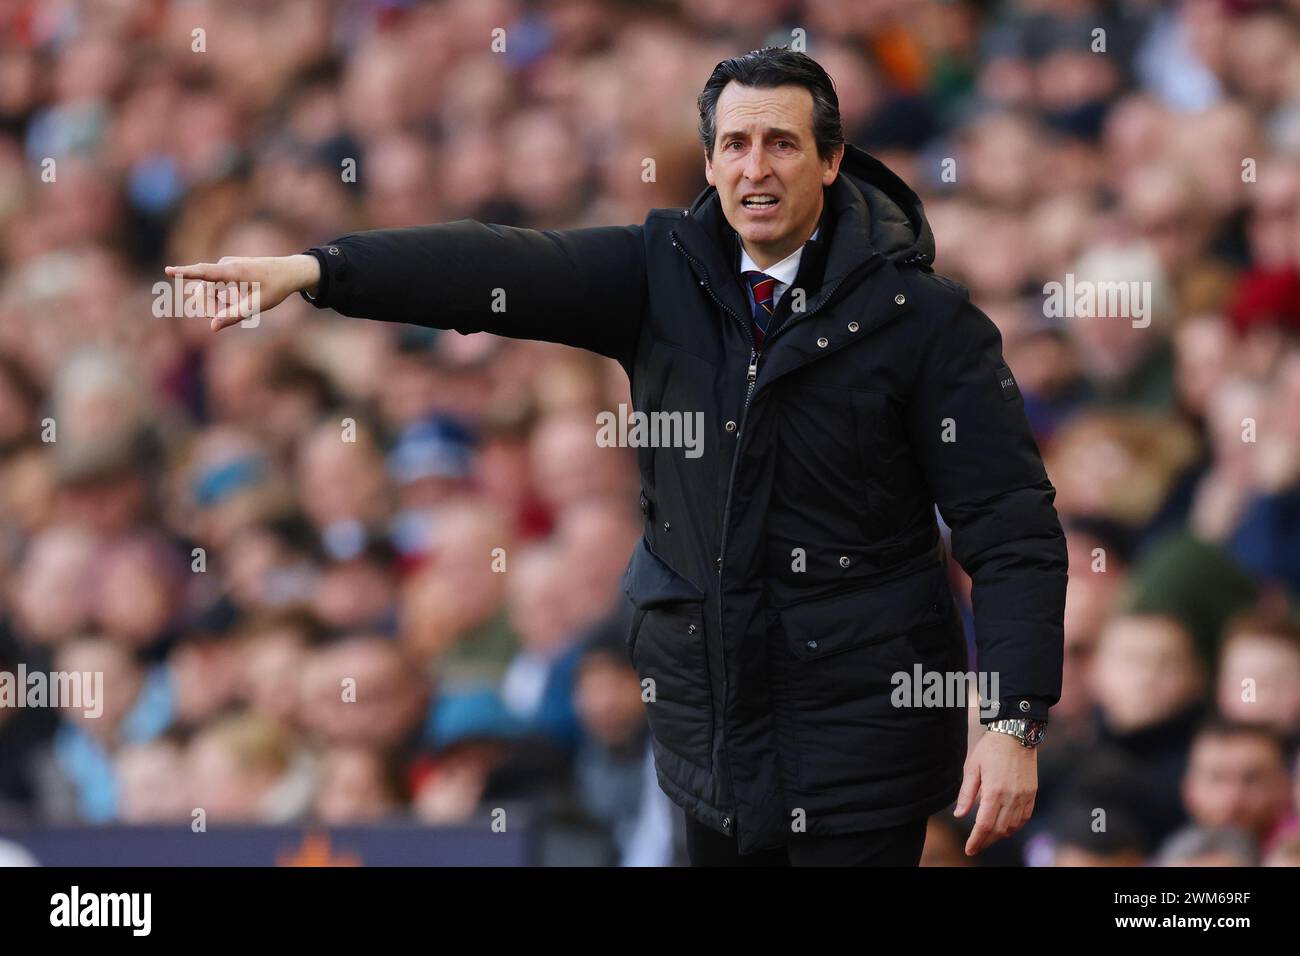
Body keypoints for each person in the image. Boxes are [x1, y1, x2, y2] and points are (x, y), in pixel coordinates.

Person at [166, 48, 1067, 866]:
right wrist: (322, 270)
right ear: (709, 163)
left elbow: (1011, 529)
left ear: (830, 161)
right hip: (708, 737)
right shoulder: (660, 273)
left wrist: (1014, 718)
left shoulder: (928, 322)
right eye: (736, 144)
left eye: (783, 145)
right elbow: (500, 271)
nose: (757, 168)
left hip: (862, 736)